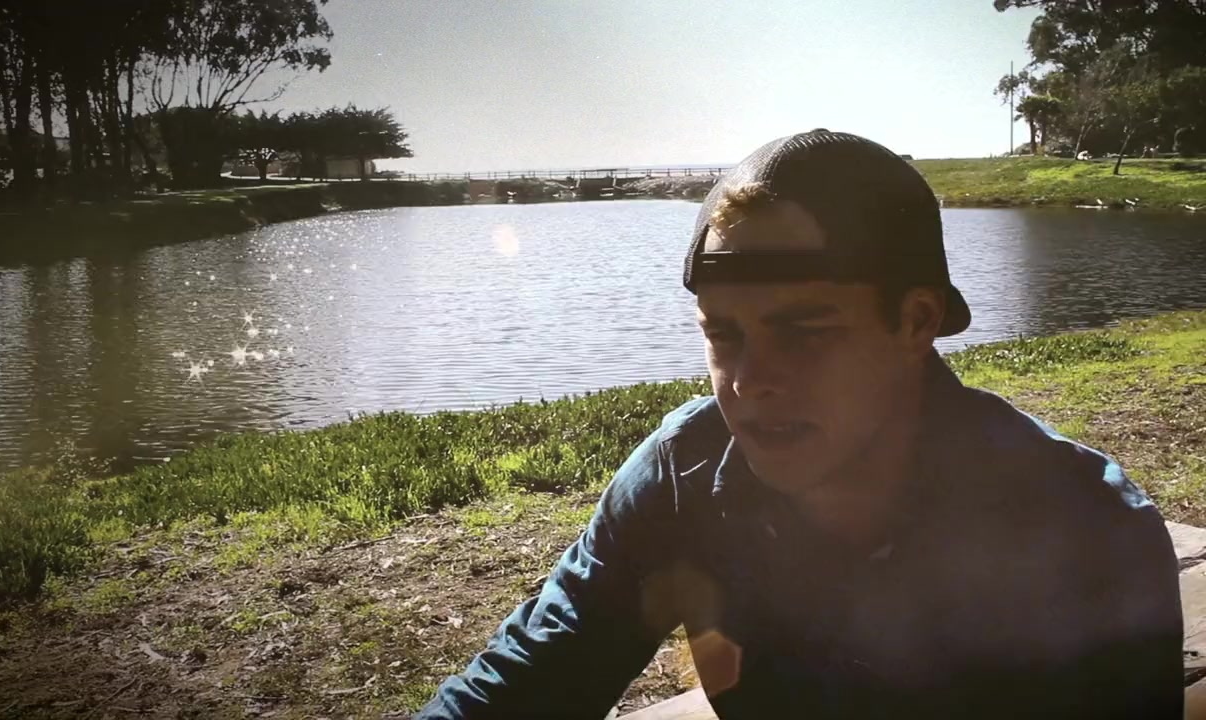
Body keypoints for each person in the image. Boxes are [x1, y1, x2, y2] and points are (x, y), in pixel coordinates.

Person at [415, 130, 1183, 719]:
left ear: (916, 322)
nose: (750, 382)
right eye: (724, 335)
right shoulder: (681, 474)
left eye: (805, 333)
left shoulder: (1087, 532)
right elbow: (528, 679)